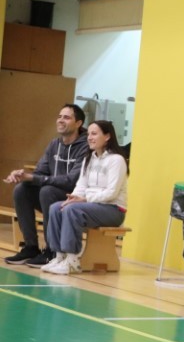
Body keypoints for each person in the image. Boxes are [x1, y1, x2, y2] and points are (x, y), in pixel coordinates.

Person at [3, 104, 89, 267]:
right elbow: (40, 172)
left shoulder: (85, 147)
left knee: (47, 191)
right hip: (51, 196)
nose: (61, 120)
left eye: (66, 117)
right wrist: (23, 175)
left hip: (74, 199)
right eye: (59, 116)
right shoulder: (54, 144)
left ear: (78, 123)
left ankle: (52, 250)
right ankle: (31, 247)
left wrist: (34, 178)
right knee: (22, 189)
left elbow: (71, 180)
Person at [42, 121, 128, 275]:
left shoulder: (117, 160)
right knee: (56, 207)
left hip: (113, 209)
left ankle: (72, 260)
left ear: (107, 136)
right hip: (91, 205)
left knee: (72, 210)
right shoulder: (89, 159)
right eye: (88, 134)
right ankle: (59, 256)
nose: (89, 138)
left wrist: (85, 199)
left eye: (94, 134)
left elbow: (112, 193)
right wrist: (73, 198)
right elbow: (81, 185)